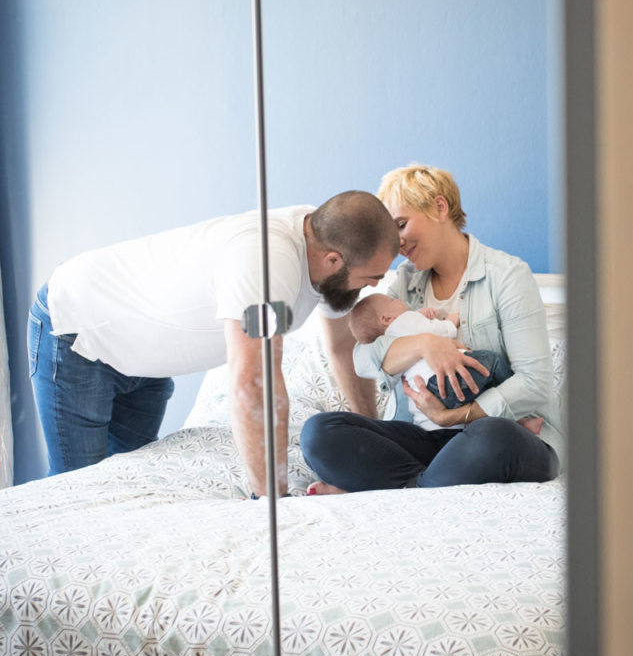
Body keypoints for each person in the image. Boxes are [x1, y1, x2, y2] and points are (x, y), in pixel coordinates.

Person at [28, 192, 399, 495]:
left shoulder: (328, 248)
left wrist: (370, 431)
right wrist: (273, 497)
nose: (372, 286)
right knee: (75, 490)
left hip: (148, 361)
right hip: (81, 332)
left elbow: (341, 347)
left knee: (119, 493)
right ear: (333, 260)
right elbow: (254, 384)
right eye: (372, 277)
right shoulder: (268, 267)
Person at [300, 164, 564, 494]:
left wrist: (453, 417)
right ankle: (424, 485)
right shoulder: (405, 283)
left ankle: (385, 489)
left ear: (439, 207)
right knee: (320, 432)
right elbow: (363, 359)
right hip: (426, 439)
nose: (396, 242)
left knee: (495, 435)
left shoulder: (506, 275)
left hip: (501, 433)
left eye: (401, 224)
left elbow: (535, 383)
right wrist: (424, 343)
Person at [347, 292, 544, 435]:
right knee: (491, 363)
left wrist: (419, 318)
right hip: (448, 381)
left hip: (430, 399)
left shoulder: (392, 338)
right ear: (386, 318)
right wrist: (451, 320)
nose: (398, 299)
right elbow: (441, 331)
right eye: (392, 301)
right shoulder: (405, 315)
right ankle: (520, 418)